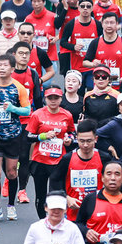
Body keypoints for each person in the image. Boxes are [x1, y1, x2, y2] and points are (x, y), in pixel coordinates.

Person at [0, 52, 31, 223]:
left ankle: (10, 206)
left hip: (13, 135)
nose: (1, 68)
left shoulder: (18, 88)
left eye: (5, 65)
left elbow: (27, 110)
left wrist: (13, 109)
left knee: (11, 172)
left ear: (12, 68)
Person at [25, 83, 77, 218]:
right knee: (41, 195)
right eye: (50, 98)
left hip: (59, 161)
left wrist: (69, 140)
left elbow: (72, 133)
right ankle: (43, 222)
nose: (53, 101)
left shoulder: (67, 115)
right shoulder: (37, 115)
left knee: (57, 194)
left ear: (61, 99)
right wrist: (42, 136)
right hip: (40, 160)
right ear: (45, 99)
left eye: (56, 98)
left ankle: (57, 220)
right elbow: (28, 137)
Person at [21, 192, 90, 244]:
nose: (56, 212)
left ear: (65, 210)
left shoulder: (72, 228)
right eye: (53, 208)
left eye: (60, 209)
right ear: (46, 208)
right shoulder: (35, 227)